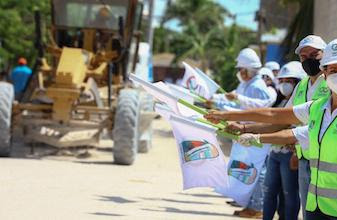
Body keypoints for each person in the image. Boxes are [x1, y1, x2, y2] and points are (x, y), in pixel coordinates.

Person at [205, 38, 337, 220]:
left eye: (314, 55)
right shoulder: (316, 105)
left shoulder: (320, 97)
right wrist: (239, 124)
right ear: (325, 70)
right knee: (281, 197)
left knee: (289, 199)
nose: (308, 60)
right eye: (333, 69)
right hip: (313, 183)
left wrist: (249, 130)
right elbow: (278, 118)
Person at [225, 61, 306, 220]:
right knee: (269, 192)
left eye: (289, 81)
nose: (284, 85)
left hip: (290, 154)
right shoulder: (279, 102)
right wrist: (243, 128)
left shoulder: (303, 105)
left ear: (298, 82)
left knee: (289, 195)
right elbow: (269, 122)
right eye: (281, 81)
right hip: (274, 152)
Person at [216, 48, 271, 218]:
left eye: (241, 69)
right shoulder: (247, 85)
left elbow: (262, 107)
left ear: (248, 70)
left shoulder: (257, 86)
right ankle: (249, 205)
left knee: (257, 172)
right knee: (247, 170)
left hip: (256, 135)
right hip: (245, 134)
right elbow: (239, 108)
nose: (239, 73)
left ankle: (256, 207)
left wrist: (236, 101)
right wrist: (220, 108)